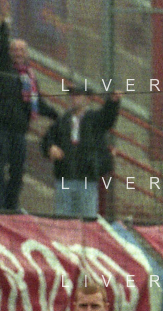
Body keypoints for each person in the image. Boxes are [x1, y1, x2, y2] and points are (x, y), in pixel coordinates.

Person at [0, 20, 58, 211]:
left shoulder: (29, 76)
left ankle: (11, 205)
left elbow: (36, 102)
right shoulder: (3, 68)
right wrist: (4, 30)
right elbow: (1, 50)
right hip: (0, 127)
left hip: (19, 129)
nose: (18, 53)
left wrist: (56, 115)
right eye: (14, 50)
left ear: (27, 54)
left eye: (21, 50)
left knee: (18, 169)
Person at [42, 83, 121, 218]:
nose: (74, 98)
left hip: (87, 179)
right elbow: (47, 139)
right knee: (63, 220)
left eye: (78, 95)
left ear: (88, 99)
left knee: (87, 219)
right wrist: (50, 147)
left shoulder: (94, 119)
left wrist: (113, 102)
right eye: (72, 95)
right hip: (65, 178)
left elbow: (108, 117)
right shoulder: (63, 120)